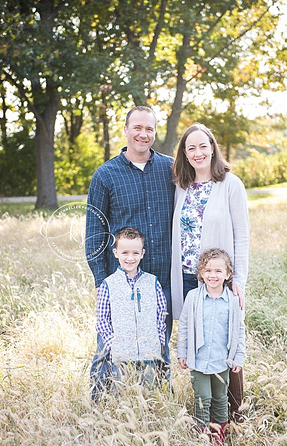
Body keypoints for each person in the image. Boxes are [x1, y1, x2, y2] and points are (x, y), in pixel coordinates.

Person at [86, 106, 174, 399]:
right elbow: (95, 233)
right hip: (119, 278)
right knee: (109, 345)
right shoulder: (105, 175)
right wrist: (100, 279)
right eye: (137, 127)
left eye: (149, 129)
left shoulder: (170, 168)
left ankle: (157, 402)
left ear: (155, 132)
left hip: (160, 274)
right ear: (125, 130)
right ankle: (102, 405)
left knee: (158, 342)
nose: (143, 134)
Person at [170, 123, 250, 421]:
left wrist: (238, 279)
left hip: (219, 279)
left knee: (225, 342)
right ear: (184, 154)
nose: (197, 152)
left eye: (203, 146)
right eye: (191, 148)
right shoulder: (181, 185)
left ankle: (233, 414)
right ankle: (203, 417)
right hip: (190, 277)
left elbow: (242, 236)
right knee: (199, 345)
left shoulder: (230, 184)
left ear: (213, 147)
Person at [177, 248, 246, 446]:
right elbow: (184, 326)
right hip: (198, 360)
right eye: (208, 271)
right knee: (203, 398)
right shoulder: (193, 297)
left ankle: (218, 438)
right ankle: (203, 436)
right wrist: (182, 352)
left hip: (221, 361)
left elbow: (239, 331)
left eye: (218, 271)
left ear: (228, 274)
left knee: (220, 399)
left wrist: (238, 357)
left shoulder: (233, 301)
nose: (212, 275)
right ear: (200, 273)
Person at [92, 227, 167, 395]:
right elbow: (102, 319)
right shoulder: (108, 285)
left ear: (142, 253)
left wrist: (158, 340)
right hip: (121, 356)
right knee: (122, 397)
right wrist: (114, 344)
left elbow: (161, 314)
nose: (130, 258)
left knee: (148, 396)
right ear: (116, 252)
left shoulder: (152, 282)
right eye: (125, 252)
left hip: (149, 354)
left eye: (135, 253)